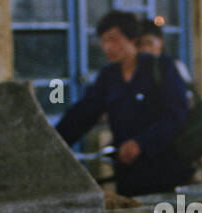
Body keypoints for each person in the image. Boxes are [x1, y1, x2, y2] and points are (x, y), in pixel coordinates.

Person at [55, 10, 192, 196]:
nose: (107, 47)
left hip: (166, 169)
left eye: (113, 39)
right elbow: (84, 113)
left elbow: (176, 114)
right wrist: (54, 141)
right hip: (128, 173)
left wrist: (141, 143)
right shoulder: (108, 76)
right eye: (103, 41)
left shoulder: (161, 67)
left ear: (132, 39)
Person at [136, 18, 192, 87]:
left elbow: (188, 95)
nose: (145, 49)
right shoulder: (134, 69)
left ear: (161, 41)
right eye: (139, 44)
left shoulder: (175, 67)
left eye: (149, 43)